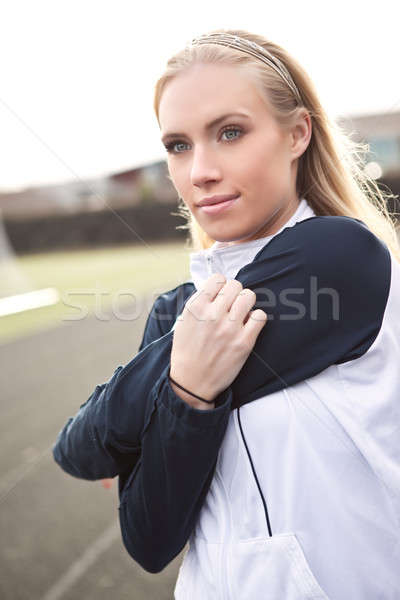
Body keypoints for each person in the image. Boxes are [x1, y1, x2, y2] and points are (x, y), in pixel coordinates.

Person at [53, 28, 400, 599]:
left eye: (230, 133)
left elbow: (90, 439)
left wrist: (159, 407)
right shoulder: (174, 313)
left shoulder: (342, 261)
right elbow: (150, 539)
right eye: (178, 145)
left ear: (297, 133)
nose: (200, 172)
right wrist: (187, 394)